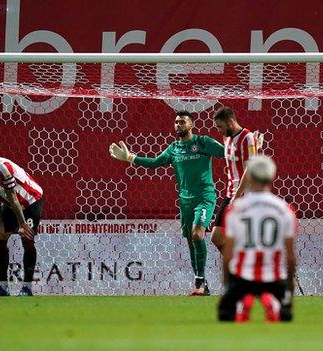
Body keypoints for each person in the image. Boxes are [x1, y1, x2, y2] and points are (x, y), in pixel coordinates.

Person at [109, 111, 224, 296]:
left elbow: (228, 153)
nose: (178, 125)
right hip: (185, 201)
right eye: (176, 122)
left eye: (182, 122)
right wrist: (130, 158)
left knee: (197, 233)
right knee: (190, 241)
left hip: (205, 196)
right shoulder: (174, 148)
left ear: (191, 124)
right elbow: (155, 163)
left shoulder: (203, 142)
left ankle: (200, 282)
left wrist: (250, 148)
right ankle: (202, 285)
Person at [218, 156, 296, 322]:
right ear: (272, 177)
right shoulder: (285, 209)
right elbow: (290, 257)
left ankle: (243, 299)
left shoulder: (235, 210)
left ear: (250, 177)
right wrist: (288, 292)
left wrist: (227, 287)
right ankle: (273, 299)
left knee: (225, 314)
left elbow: (228, 256)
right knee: (286, 316)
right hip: (275, 279)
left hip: (242, 278)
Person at [0, 145, 44, 297]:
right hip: (11, 204)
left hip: (31, 200)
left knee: (27, 237)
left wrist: (23, 224)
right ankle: (3, 288)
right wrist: (0, 222)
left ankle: (27, 288)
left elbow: (13, 196)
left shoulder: (2, 168)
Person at [211, 107, 261, 255]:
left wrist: (237, 196)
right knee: (217, 237)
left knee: (248, 239)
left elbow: (250, 169)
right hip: (230, 193)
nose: (218, 130)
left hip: (245, 195)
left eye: (220, 126)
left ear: (231, 122)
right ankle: (240, 270)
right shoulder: (227, 138)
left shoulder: (247, 137)